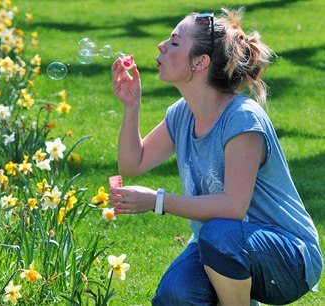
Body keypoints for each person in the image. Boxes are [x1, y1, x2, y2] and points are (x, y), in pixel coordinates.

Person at [109, 7, 323, 306]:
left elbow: (232, 207)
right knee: (176, 294)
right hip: (217, 244)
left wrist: (157, 200)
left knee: (219, 233)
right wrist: (132, 106)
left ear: (200, 62)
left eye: (174, 42)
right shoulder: (182, 114)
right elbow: (133, 164)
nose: (161, 46)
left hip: (288, 255)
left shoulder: (242, 119)